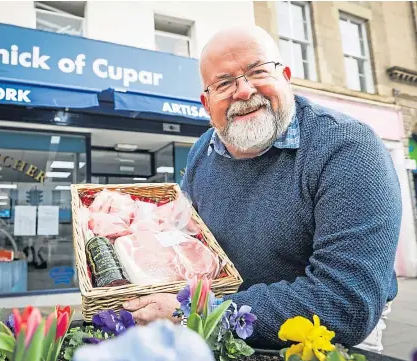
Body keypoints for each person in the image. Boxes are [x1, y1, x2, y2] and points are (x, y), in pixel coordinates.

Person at [122, 25, 401, 352]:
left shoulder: (348, 148)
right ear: (206, 103)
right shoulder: (203, 151)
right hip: (225, 326)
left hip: (323, 341)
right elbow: (187, 239)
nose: (243, 91)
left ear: (285, 76)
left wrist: (199, 313)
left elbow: (345, 303)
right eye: (223, 83)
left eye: (258, 71)